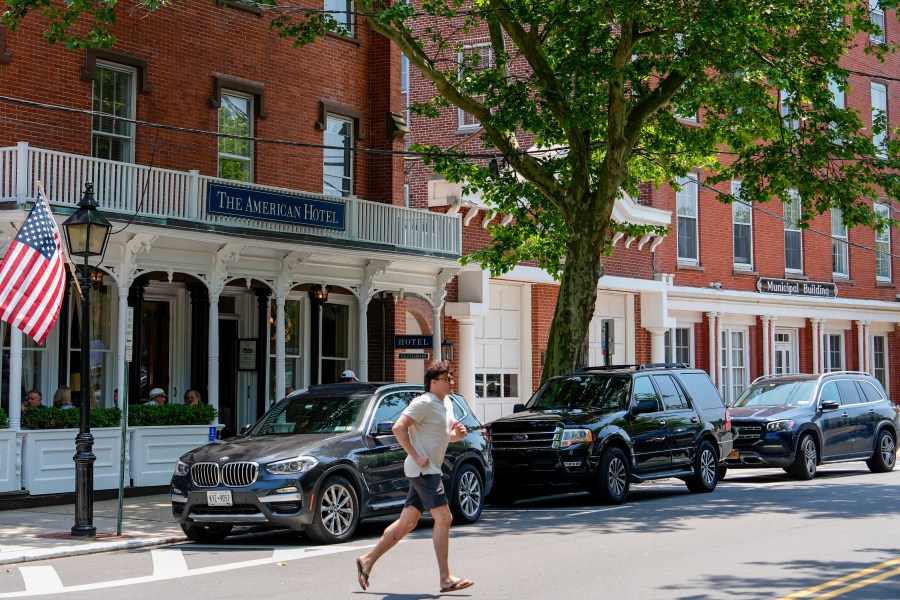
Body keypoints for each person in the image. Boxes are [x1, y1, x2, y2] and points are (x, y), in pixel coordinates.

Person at [355, 361, 473, 594]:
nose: (452, 381)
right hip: (423, 470)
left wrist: (456, 436)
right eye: (447, 378)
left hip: (430, 468)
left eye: (452, 377)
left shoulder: (447, 403)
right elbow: (398, 428)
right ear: (434, 382)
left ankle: (367, 560)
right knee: (445, 518)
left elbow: (441, 435)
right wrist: (415, 455)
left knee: (407, 522)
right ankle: (445, 578)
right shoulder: (423, 403)